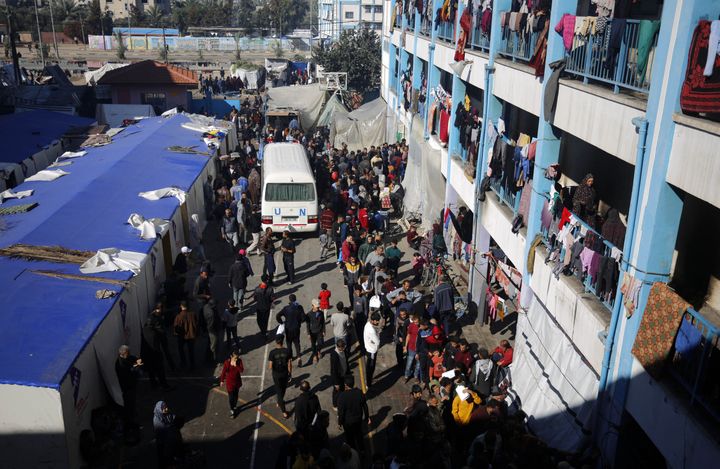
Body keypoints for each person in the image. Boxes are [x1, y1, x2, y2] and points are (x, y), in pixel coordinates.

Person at [141, 305, 173, 390]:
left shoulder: (144, 330)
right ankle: (164, 386)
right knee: (160, 371)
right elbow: (157, 344)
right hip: (155, 354)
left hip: (148, 355)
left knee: (151, 372)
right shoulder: (154, 334)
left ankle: (154, 385)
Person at [337, 375, 370, 452]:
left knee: (350, 438)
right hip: (358, 420)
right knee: (359, 435)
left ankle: (353, 452)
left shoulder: (342, 396)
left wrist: (340, 422)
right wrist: (367, 417)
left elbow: (341, 412)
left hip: (347, 423)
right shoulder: (359, 393)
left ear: (345, 385)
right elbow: (365, 406)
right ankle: (362, 451)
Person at [115, 345, 143, 428]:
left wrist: (137, 365)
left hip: (130, 386)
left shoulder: (126, 359)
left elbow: (137, 360)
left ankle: (132, 420)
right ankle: (131, 423)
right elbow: (129, 372)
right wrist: (135, 368)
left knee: (131, 404)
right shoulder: (120, 365)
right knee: (130, 405)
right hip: (127, 388)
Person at [276, 294, 305, 366]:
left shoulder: (286, 308)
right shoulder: (299, 307)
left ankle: (291, 357)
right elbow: (303, 318)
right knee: (297, 343)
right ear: (295, 299)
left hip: (288, 329)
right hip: (296, 328)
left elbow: (278, 315)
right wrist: (299, 322)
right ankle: (298, 357)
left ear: (289, 300)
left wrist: (281, 322)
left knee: (289, 343)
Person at [153, 401, 184, 468]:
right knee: (165, 457)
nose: (166, 409)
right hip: (163, 442)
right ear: (160, 409)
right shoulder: (157, 421)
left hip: (170, 439)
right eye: (164, 408)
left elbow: (172, 417)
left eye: (166, 407)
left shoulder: (167, 413)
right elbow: (164, 430)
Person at [268, 336, 292, 419]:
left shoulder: (272, 353)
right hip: (285, 373)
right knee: (283, 388)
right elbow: (289, 363)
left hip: (276, 374)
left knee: (279, 391)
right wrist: (290, 373)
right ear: (282, 341)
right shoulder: (287, 351)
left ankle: (284, 411)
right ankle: (280, 401)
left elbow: (270, 366)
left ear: (276, 342)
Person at [219, 348, 244, 418]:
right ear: (231, 356)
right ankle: (232, 409)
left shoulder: (239, 361)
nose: (236, 359)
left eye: (237, 357)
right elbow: (223, 372)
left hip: (237, 382)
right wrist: (221, 380)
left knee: (236, 396)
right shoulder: (227, 363)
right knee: (231, 398)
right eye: (235, 357)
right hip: (230, 383)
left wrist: (236, 365)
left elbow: (241, 370)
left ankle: (235, 406)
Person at [173, 301, 198, 370]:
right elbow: (196, 324)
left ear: (181, 306)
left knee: (181, 349)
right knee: (191, 351)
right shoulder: (193, 314)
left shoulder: (178, 316)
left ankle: (183, 363)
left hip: (182, 336)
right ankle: (192, 365)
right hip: (191, 336)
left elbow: (176, 328)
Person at [330, 339, 350, 410]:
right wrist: (336, 383)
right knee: (336, 392)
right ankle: (335, 405)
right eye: (341, 349)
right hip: (338, 377)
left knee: (343, 390)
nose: (342, 350)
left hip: (344, 374)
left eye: (343, 348)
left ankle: (342, 402)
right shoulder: (334, 354)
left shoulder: (344, 350)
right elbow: (334, 370)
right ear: (338, 347)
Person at [363, 312, 381, 390]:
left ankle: (368, 380)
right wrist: (377, 336)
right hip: (372, 350)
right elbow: (377, 342)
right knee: (371, 367)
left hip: (368, 348)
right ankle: (368, 383)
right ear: (373, 320)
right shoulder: (372, 331)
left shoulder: (368, 324)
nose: (378, 322)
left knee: (369, 366)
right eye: (377, 321)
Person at [306, 299, 326, 364]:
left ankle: (318, 351)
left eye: (318, 306)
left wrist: (323, 330)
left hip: (319, 331)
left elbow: (323, 322)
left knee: (321, 343)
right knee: (313, 345)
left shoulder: (321, 313)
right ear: (312, 306)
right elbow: (308, 324)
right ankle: (315, 355)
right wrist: (308, 333)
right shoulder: (309, 314)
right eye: (317, 306)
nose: (318, 308)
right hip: (312, 332)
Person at [351, 284, 368, 355]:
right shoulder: (355, 297)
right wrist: (353, 315)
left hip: (362, 320)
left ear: (361, 291)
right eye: (356, 291)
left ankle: (363, 349)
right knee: (358, 334)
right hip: (356, 319)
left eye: (358, 291)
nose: (357, 293)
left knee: (362, 335)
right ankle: (361, 345)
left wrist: (365, 320)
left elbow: (366, 310)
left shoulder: (364, 299)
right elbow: (354, 307)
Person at [203, 299, 221, 363]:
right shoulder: (212, 314)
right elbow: (211, 325)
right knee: (213, 346)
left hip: (208, 329)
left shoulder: (205, 307)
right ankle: (213, 360)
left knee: (210, 344)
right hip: (213, 332)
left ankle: (208, 357)